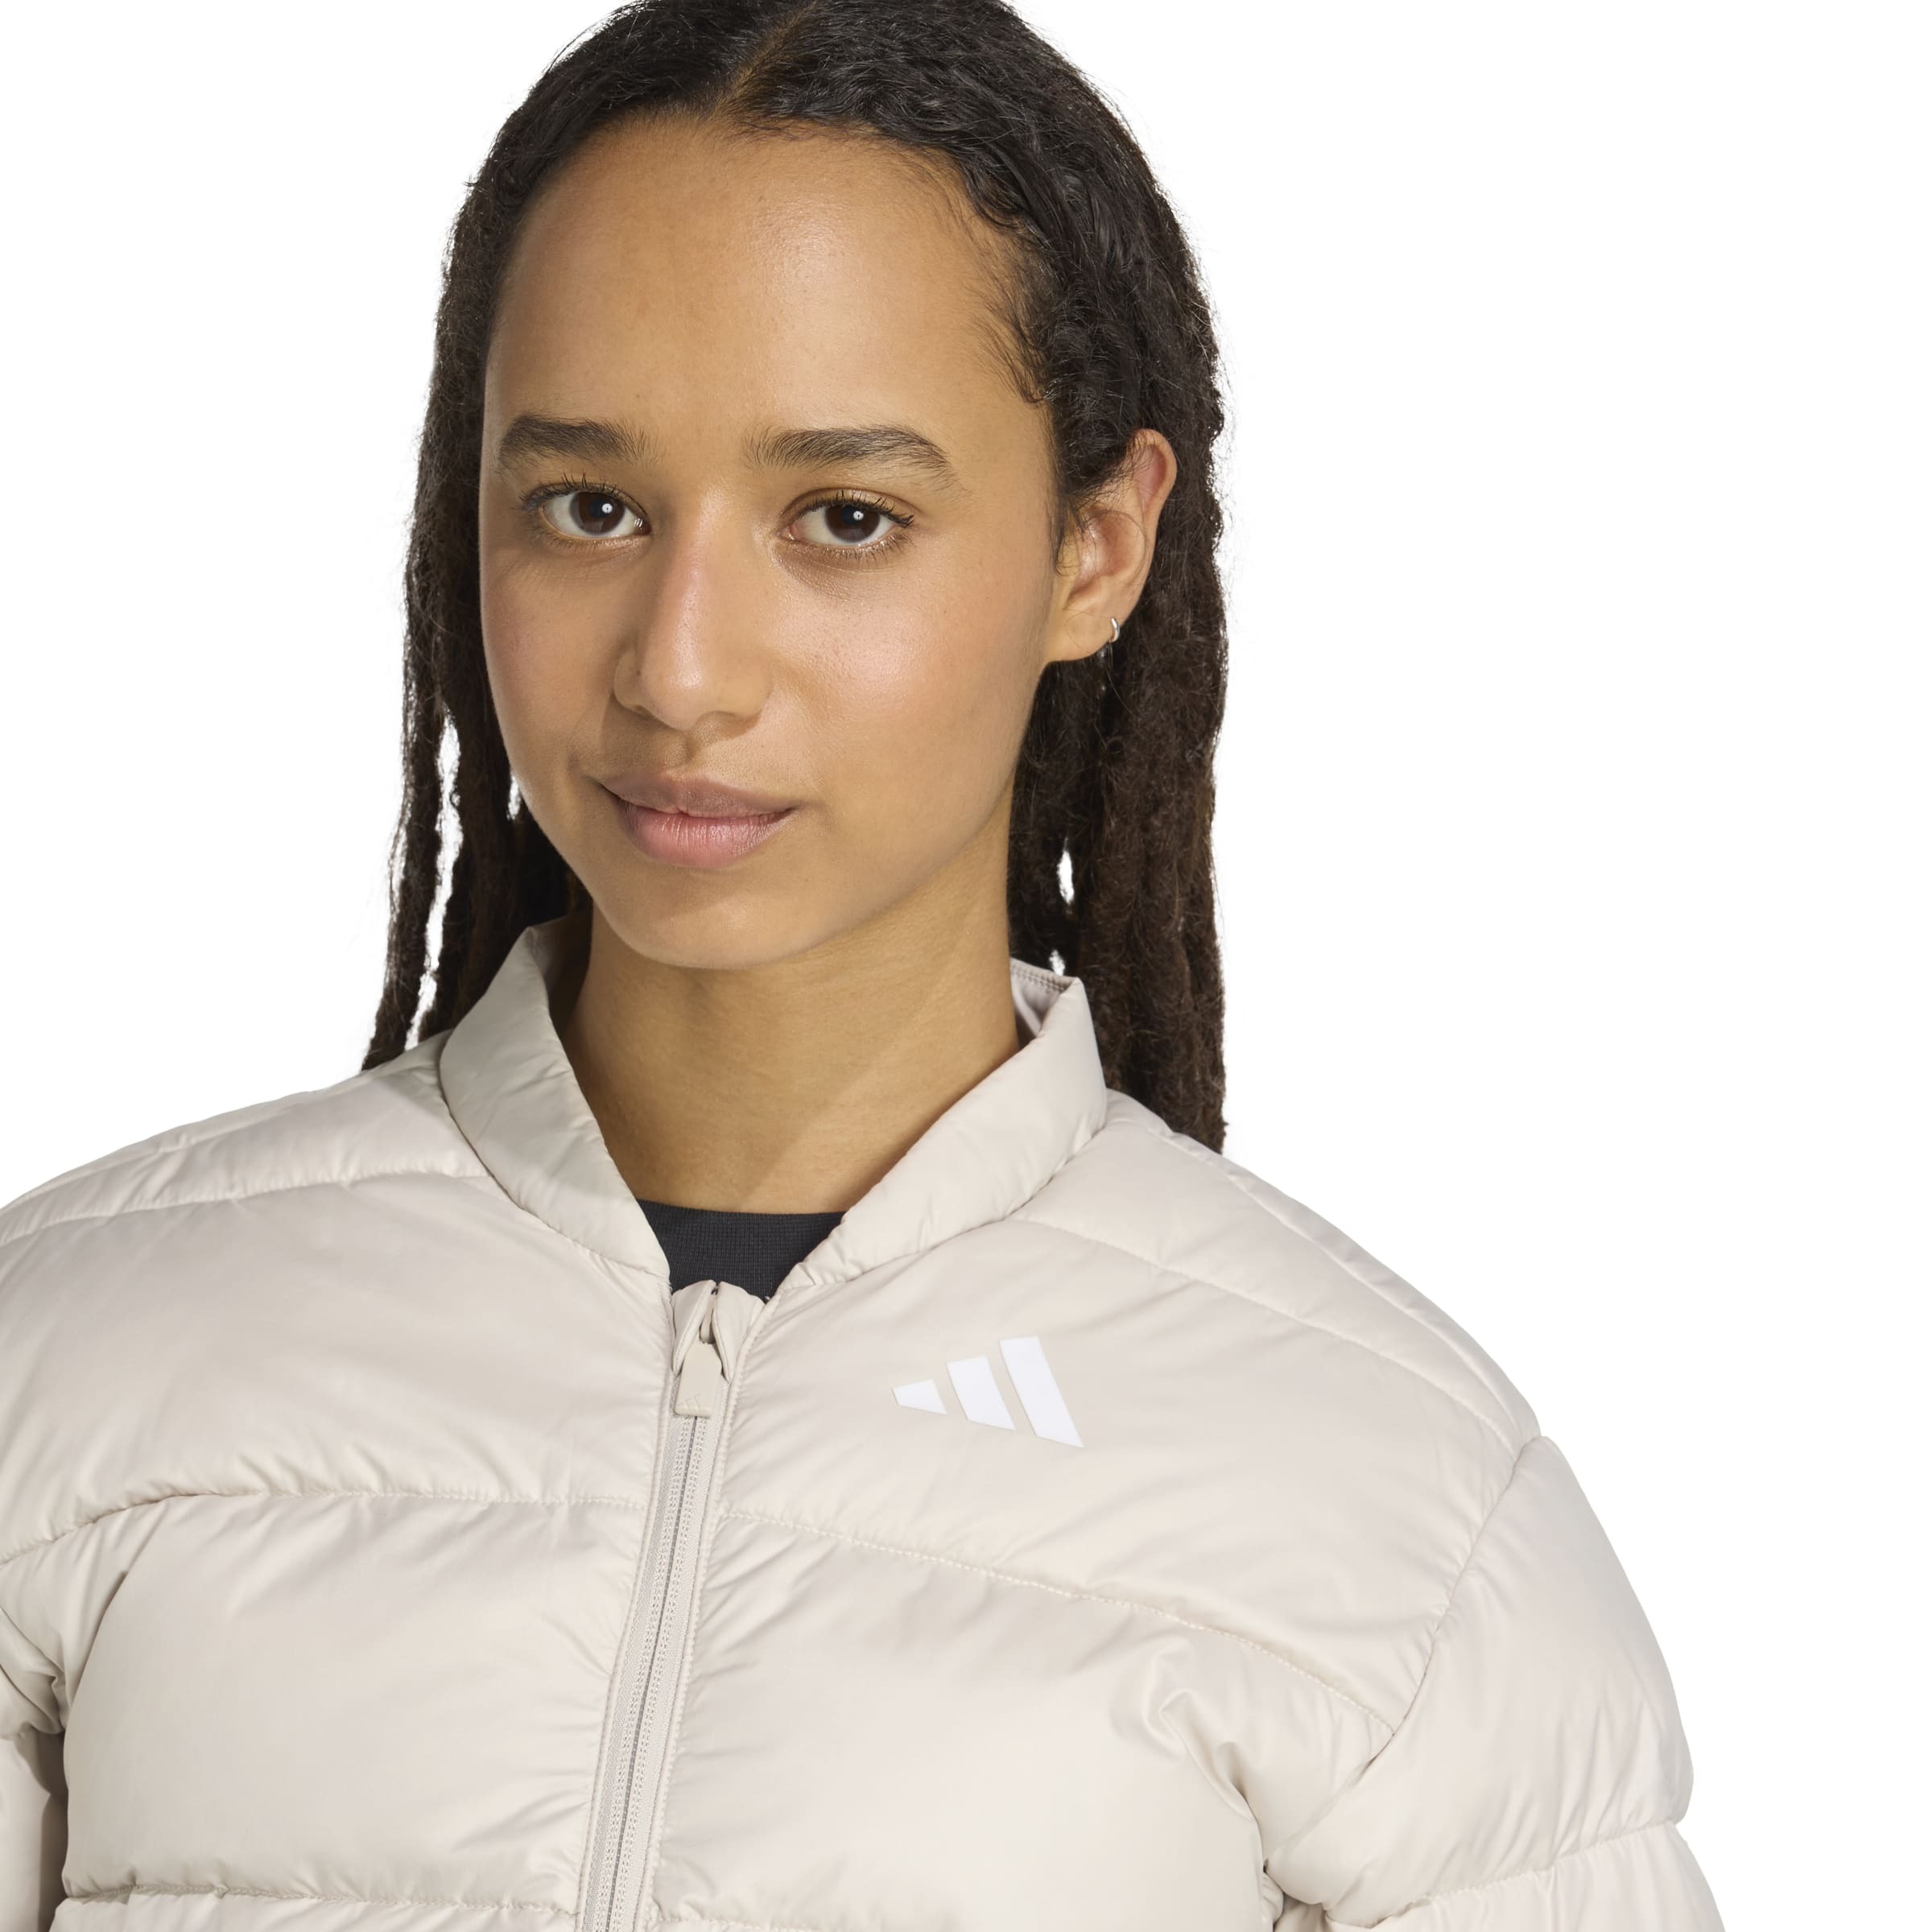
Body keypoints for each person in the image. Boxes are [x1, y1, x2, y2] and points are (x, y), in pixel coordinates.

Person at [0, 2, 1724, 1928]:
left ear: (1097, 546)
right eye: (590, 508)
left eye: (844, 520)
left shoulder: (1398, 1507)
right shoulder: (73, 1365)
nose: (680, 670)